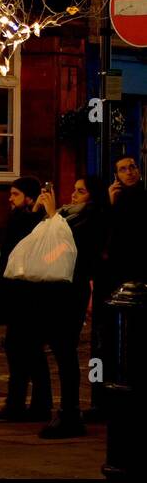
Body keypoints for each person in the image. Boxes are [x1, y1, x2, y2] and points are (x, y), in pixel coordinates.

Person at [30, 177, 107, 438]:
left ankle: (70, 413)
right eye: (74, 190)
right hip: (58, 290)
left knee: (66, 350)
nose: (73, 195)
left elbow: (69, 246)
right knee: (60, 349)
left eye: (80, 191)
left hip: (73, 289)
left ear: (92, 196)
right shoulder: (67, 215)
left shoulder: (91, 218)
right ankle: (66, 411)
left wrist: (52, 215)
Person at [91, 154, 147, 421]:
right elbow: (104, 237)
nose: (130, 172)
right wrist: (110, 204)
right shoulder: (113, 202)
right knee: (105, 342)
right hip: (111, 279)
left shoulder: (143, 198)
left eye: (132, 167)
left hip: (134, 279)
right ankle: (102, 398)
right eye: (123, 169)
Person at [0, 176, 50, 422]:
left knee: (22, 351)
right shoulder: (25, 219)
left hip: (27, 298)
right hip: (21, 297)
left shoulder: (32, 222)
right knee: (27, 352)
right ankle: (33, 404)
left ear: (29, 198)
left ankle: (21, 404)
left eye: (15, 194)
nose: (10, 199)